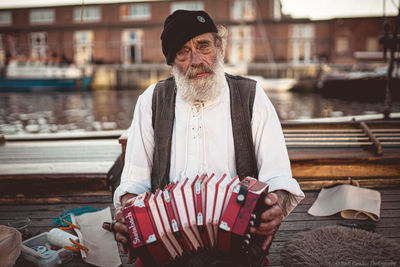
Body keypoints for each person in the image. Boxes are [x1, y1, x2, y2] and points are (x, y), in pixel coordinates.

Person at [110, 9, 304, 266]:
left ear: (219, 47)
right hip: (166, 246)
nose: (196, 60)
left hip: (239, 244)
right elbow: (134, 182)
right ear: (171, 61)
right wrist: (127, 213)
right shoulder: (151, 100)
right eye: (183, 52)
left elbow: (277, 175)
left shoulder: (251, 96)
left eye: (203, 46)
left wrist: (275, 203)